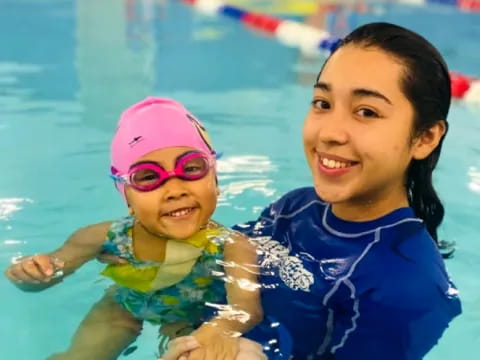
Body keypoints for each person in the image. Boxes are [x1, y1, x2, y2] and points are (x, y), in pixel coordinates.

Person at [163, 21, 462, 360]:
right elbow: (231, 252)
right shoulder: (297, 206)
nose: (330, 133)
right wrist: (216, 324)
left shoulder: (409, 286)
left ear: (425, 138)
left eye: (366, 112)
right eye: (322, 103)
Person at [4, 97, 262, 360]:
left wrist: (218, 328)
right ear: (127, 197)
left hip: (191, 318)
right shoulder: (105, 236)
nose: (175, 190)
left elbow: (246, 308)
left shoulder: (231, 245)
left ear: (215, 180)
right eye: (149, 177)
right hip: (124, 309)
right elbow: (53, 270)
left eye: (191, 168)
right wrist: (33, 273)